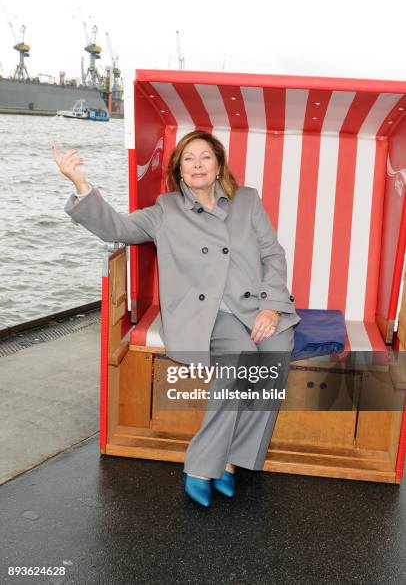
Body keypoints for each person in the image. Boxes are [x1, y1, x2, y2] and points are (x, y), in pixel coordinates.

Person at [52, 130, 301, 508]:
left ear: (218, 165)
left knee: (278, 351)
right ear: (179, 170)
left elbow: (273, 255)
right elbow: (116, 227)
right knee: (240, 363)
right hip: (206, 314)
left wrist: (271, 307)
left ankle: (232, 458)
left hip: (254, 306)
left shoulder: (247, 200)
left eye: (205, 157)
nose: (197, 164)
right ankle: (202, 466)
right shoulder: (165, 210)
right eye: (189, 158)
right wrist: (81, 185)